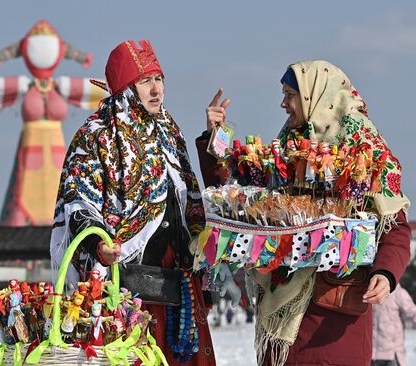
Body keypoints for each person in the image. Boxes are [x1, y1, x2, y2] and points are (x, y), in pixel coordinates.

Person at [196, 60, 412, 366]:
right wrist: (215, 138)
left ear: (314, 96)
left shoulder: (365, 151)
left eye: (289, 94)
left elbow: (395, 225)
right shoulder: (287, 148)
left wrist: (386, 273)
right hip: (280, 316)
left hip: (332, 323)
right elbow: (239, 203)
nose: (283, 104)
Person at [50, 40, 215, 365]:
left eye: (159, 79)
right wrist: (98, 243)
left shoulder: (169, 131)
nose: (156, 90)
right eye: (145, 82)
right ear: (125, 88)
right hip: (123, 286)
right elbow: (77, 201)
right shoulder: (96, 134)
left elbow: (189, 194)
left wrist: (214, 137)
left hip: (179, 284)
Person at [372, 284, 416, 366]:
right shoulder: (371, 292)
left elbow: (412, 312)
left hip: (392, 354)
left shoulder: (399, 293)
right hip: (373, 353)